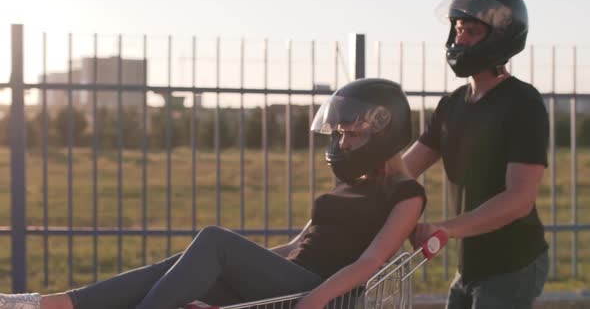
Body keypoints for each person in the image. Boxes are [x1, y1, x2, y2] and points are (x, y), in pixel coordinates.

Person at [1, 78, 426, 309]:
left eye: (352, 133)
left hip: (319, 293)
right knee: (179, 267)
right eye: (339, 131)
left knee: (214, 241)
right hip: (287, 280)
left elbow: (372, 262)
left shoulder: (406, 193)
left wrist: (313, 302)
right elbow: (299, 245)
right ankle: (46, 305)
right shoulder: (350, 182)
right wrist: (241, 260)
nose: (342, 141)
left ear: (385, 132)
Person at [404, 0, 549, 309]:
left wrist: (444, 228)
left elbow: (519, 200)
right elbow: (405, 170)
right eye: (457, 29)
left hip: (513, 265)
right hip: (469, 266)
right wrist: (367, 178)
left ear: (501, 36)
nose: (459, 40)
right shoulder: (451, 106)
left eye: (471, 31)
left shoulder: (522, 103)